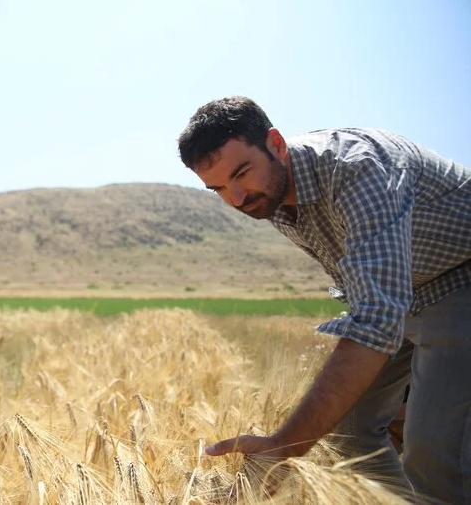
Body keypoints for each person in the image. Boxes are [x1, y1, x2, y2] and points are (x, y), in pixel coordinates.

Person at [176, 96, 471, 503]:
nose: (237, 198)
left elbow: (376, 320)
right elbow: (375, 295)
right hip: (404, 292)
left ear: (276, 144)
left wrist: (285, 445)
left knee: (435, 451)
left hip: (461, 279)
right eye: (219, 189)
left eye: (242, 173)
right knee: (347, 435)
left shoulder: (358, 169)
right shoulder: (271, 194)